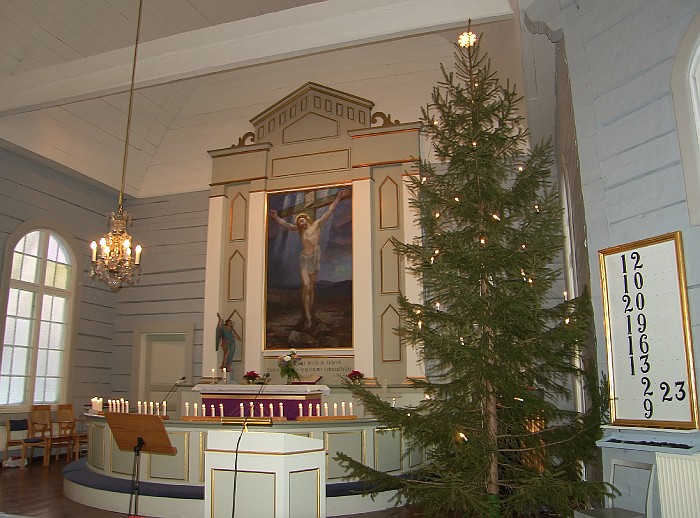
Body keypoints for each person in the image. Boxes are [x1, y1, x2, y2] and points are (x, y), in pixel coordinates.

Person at [270, 189, 351, 329]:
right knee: (306, 285)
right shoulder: (299, 231)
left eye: (301, 220)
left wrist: (338, 197)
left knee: (312, 287)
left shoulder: (316, 225)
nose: (300, 223)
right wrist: (276, 217)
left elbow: (329, 211)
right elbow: (286, 224)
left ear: (306, 219)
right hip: (305, 259)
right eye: (299, 222)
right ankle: (307, 315)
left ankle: (310, 316)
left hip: (314, 258)